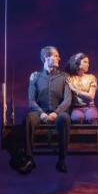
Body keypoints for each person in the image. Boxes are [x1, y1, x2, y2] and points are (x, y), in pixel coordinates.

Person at [16, 46, 72, 174]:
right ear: (46, 58)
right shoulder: (35, 77)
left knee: (64, 119)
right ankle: (29, 159)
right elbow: (31, 100)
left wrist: (56, 113)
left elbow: (67, 100)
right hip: (39, 112)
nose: (59, 58)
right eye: (55, 55)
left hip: (58, 112)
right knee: (28, 118)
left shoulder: (64, 77)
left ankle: (62, 160)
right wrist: (41, 114)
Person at [66, 52, 98, 124]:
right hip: (76, 108)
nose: (88, 64)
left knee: (92, 117)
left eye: (88, 62)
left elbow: (91, 96)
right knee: (77, 118)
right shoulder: (70, 78)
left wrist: (74, 90)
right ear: (77, 62)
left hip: (90, 107)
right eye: (85, 62)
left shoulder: (91, 77)